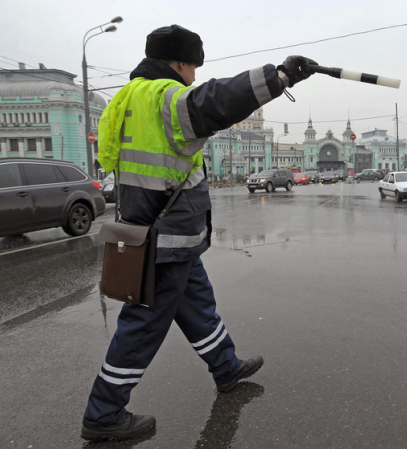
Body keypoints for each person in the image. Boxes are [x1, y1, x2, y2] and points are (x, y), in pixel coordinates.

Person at [81, 24, 317, 442]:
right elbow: (215, 101)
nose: (193, 76)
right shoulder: (163, 96)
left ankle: (226, 367)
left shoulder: (125, 99)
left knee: (199, 307)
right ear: (179, 63)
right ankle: (104, 412)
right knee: (143, 326)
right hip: (165, 236)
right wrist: (279, 77)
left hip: (162, 233)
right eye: (192, 67)